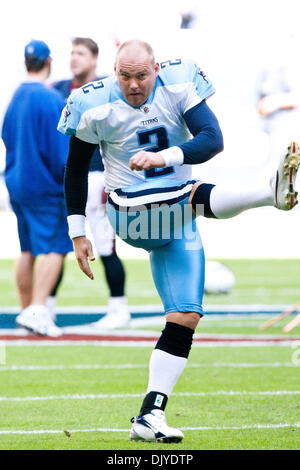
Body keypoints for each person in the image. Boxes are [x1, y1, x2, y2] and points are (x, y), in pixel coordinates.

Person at [58, 40, 299, 442]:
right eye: (124, 75)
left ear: (156, 68)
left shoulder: (179, 81)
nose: (133, 84)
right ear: (113, 70)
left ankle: (149, 416)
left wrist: (165, 156)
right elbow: (75, 169)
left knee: (185, 315)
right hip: (130, 211)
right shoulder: (92, 102)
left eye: (141, 75)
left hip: (177, 214)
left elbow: (212, 138)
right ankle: (266, 193)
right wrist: (78, 231)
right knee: (190, 194)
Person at [52, 37, 129, 328]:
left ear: (94, 58)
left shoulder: (107, 89)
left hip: (97, 175)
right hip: (66, 176)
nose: (74, 59)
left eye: (80, 53)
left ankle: (118, 307)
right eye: (71, 53)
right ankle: (45, 306)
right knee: (58, 244)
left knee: (105, 244)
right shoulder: (58, 90)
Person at [1, 39, 73, 337]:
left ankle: (26, 310)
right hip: (45, 186)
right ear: (49, 61)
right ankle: (38, 309)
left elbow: (6, 136)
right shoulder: (52, 99)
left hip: (17, 184)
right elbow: (61, 154)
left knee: (28, 249)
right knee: (56, 246)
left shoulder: (16, 96)